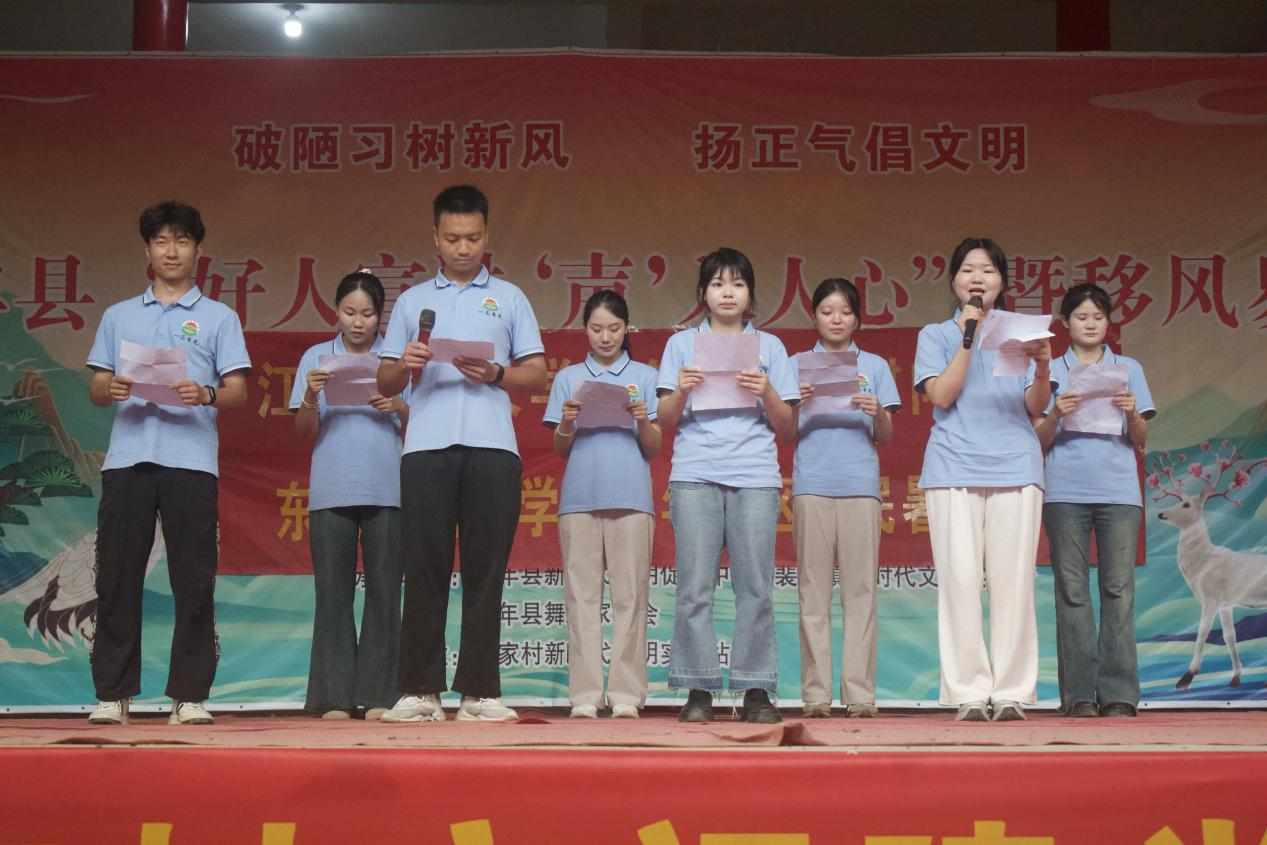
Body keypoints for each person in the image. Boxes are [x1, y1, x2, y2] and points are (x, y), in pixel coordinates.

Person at [377, 184, 546, 723]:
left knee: (485, 570)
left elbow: (537, 372)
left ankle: (480, 692)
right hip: (426, 446)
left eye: (472, 237)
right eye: (452, 238)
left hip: (492, 447)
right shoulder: (411, 302)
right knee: (423, 568)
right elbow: (384, 379)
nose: (463, 247)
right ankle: (419, 691)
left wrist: (495, 373)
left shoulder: (510, 298)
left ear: (487, 235)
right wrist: (405, 362)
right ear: (435, 237)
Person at [86, 201, 251, 726]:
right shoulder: (119, 316)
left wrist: (204, 393)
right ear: (148, 250)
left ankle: (189, 696)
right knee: (117, 577)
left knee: (194, 578)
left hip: (191, 461)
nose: (171, 251)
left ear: (198, 250)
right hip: (128, 459)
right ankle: (113, 695)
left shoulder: (220, 317)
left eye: (182, 241)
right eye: (161, 241)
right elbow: (96, 386)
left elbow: (238, 390)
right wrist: (110, 387)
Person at [657, 247, 799, 724]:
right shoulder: (682, 345)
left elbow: (787, 426)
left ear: (750, 294)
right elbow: (664, 419)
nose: (728, 293)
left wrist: (767, 391)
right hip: (695, 473)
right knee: (694, 587)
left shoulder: (770, 347)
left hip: (754, 475)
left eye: (737, 284)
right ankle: (698, 688)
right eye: (718, 284)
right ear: (703, 293)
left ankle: (755, 690)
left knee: (755, 587)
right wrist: (682, 388)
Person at [914, 237, 1052, 722]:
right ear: (954, 280)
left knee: (1014, 583)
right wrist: (969, 336)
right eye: (969, 270)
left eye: (989, 271)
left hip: (1016, 465)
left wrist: (1042, 365)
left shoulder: (1020, 332)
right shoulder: (935, 334)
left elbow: (1036, 406)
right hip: (953, 465)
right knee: (960, 581)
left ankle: (1012, 690)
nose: (978, 278)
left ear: (1003, 281)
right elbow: (942, 396)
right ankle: (968, 691)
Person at [290, 271, 408, 721]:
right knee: (332, 594)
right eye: (349, 312)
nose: (358, 323)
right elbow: (304, 432)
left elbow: (421, 425)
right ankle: (334, 697)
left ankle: (380, 695)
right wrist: (310, 394)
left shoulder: (396, 362)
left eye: (368, 314)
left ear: (381, 317)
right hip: (331, 488)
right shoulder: (316, 358)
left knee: (384, 592)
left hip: (388, 487)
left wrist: (398, 405)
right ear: (336, 311)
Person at [1034, 283, 1154, 718]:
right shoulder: (1051, 371)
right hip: (1064, 491)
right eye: (1081, 317)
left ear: (1108, 322)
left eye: (1098, 317)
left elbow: (1140, 438)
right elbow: (1038, 440)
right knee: (1072, 592)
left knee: (1118, 591)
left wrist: (1132, 413)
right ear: (1065, 323)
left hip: (1119, 491)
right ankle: (1079, 695)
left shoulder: (1128, 368)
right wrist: (1055, 413)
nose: (1090, 324)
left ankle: (1119, 694)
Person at [543, 290, 661, 719]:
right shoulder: (569, 377)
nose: (606, 337)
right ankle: (586, 695)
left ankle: (627, 693)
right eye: (596, 329)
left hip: (631, 496)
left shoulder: (645, 376)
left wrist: (643, 420)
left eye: (614, 328)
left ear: (627, 329)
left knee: (631, 597)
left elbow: (653, 447)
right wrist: (567, 421)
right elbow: (560, 448)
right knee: (582, 598)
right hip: (580, 497)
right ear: (585, 330)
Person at [792, 278, 900, 719]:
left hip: (860, 485)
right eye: (827, 311)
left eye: (845, 312)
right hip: (811, 484)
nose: (836, 319)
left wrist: (877, 413)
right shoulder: (796, 365)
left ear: (857, 318)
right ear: (814, 316)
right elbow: (783, 430)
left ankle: (860, 695)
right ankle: (816, 696)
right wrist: (795, 404)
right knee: (812, 592)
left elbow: (886, 435)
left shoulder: (873, 365)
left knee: (860, 592)